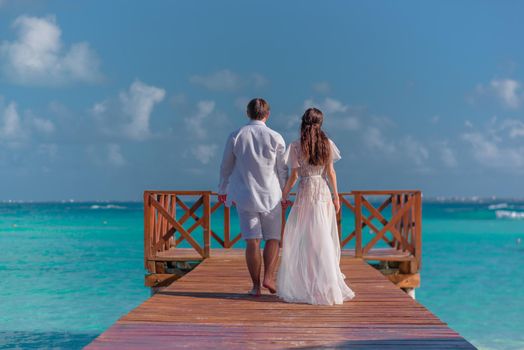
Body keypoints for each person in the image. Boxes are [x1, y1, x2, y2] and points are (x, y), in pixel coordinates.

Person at [277, 107, 355, 305]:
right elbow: (331, 173)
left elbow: (294, 176)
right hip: (322, 192)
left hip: (305, 193)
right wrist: (336, 198)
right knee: (323, 239)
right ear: (321, 123)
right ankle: (326, 285)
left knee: (304, 239)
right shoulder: (326, 143)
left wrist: (284, 195)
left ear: (303, 122)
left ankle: (309, 284)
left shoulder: (296, 146)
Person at [218, 98, 288, 296]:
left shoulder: (237, 135)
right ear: (267, 114)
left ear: (247, 113)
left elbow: (226, 166)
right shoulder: (276, 137)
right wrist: (285, 194)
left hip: (245, 195)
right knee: (273, 239)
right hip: (272, 196)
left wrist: (222, 190)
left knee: (252, 241)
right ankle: (269, 277)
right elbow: (282, 170)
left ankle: (256, 286)